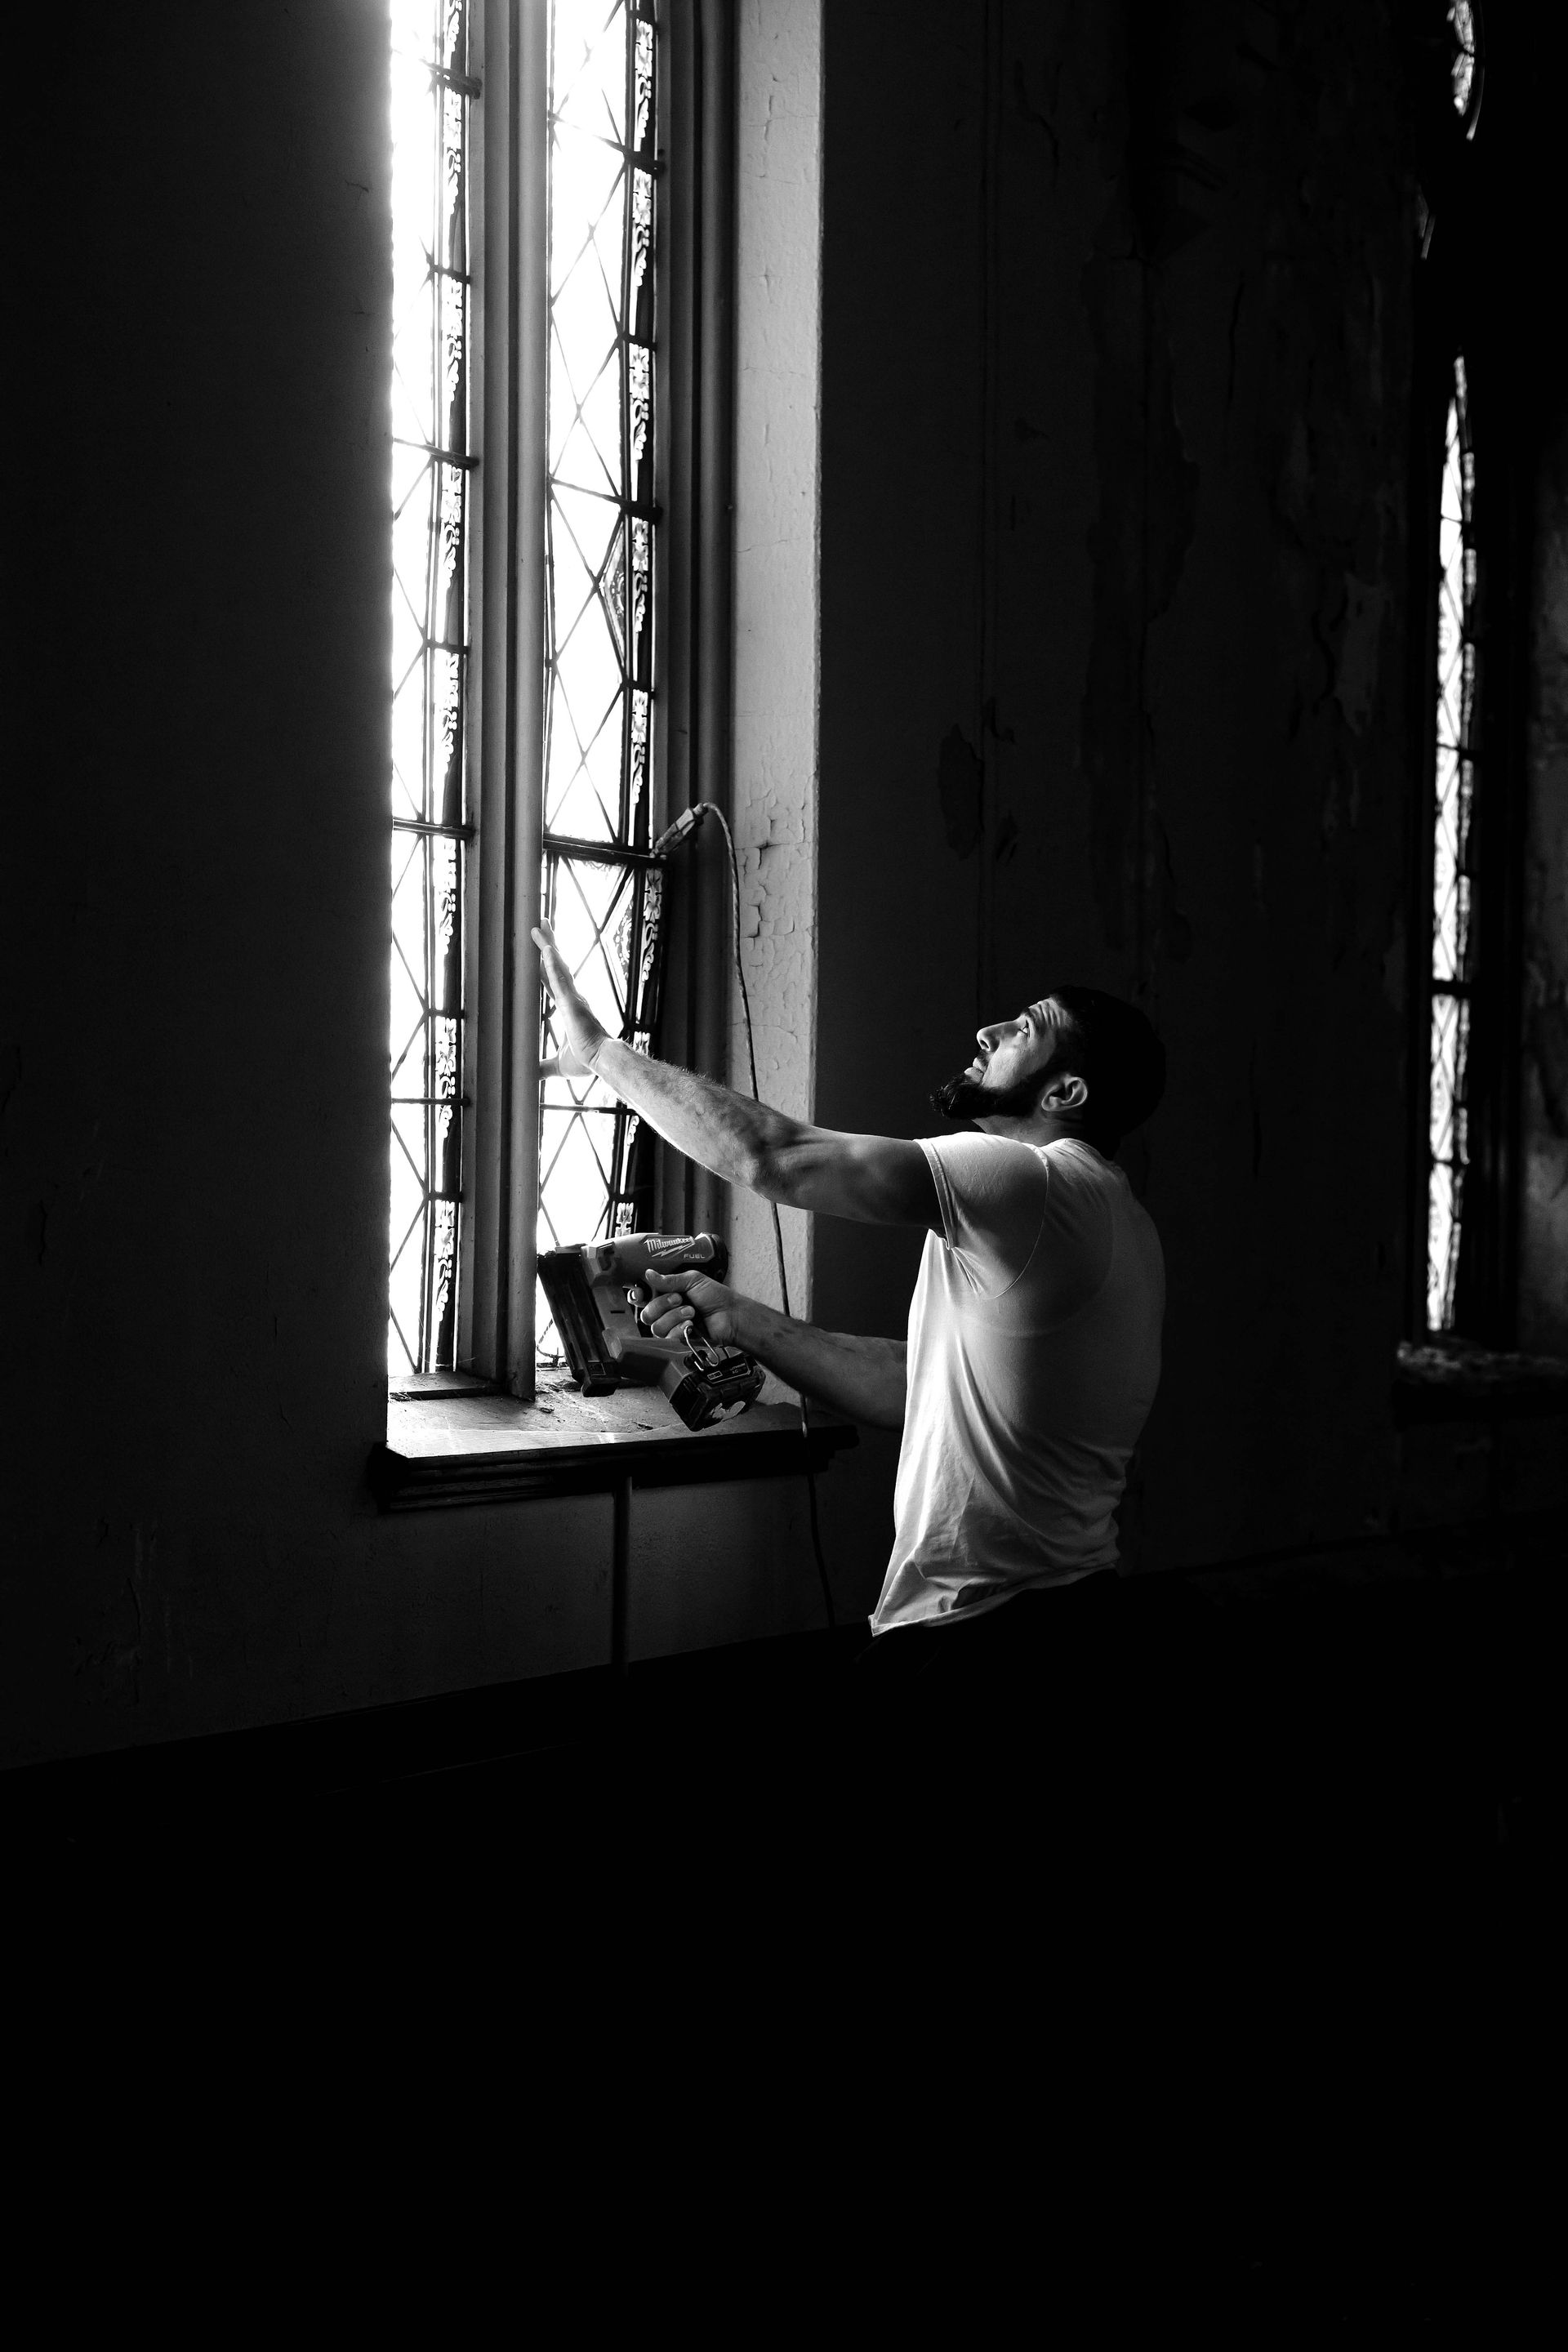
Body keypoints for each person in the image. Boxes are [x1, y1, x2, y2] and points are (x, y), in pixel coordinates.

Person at [533, 917, 1166, 1725]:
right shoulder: (1107, 1215)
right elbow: (919, 1390)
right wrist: (740, 1318)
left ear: (1066, 1093)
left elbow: (776, 1157)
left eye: (1025, 1028)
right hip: (1047, 1623)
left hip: (999, 1641)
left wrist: (601, 1054)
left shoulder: (1030, 1183)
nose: (989, 1029)